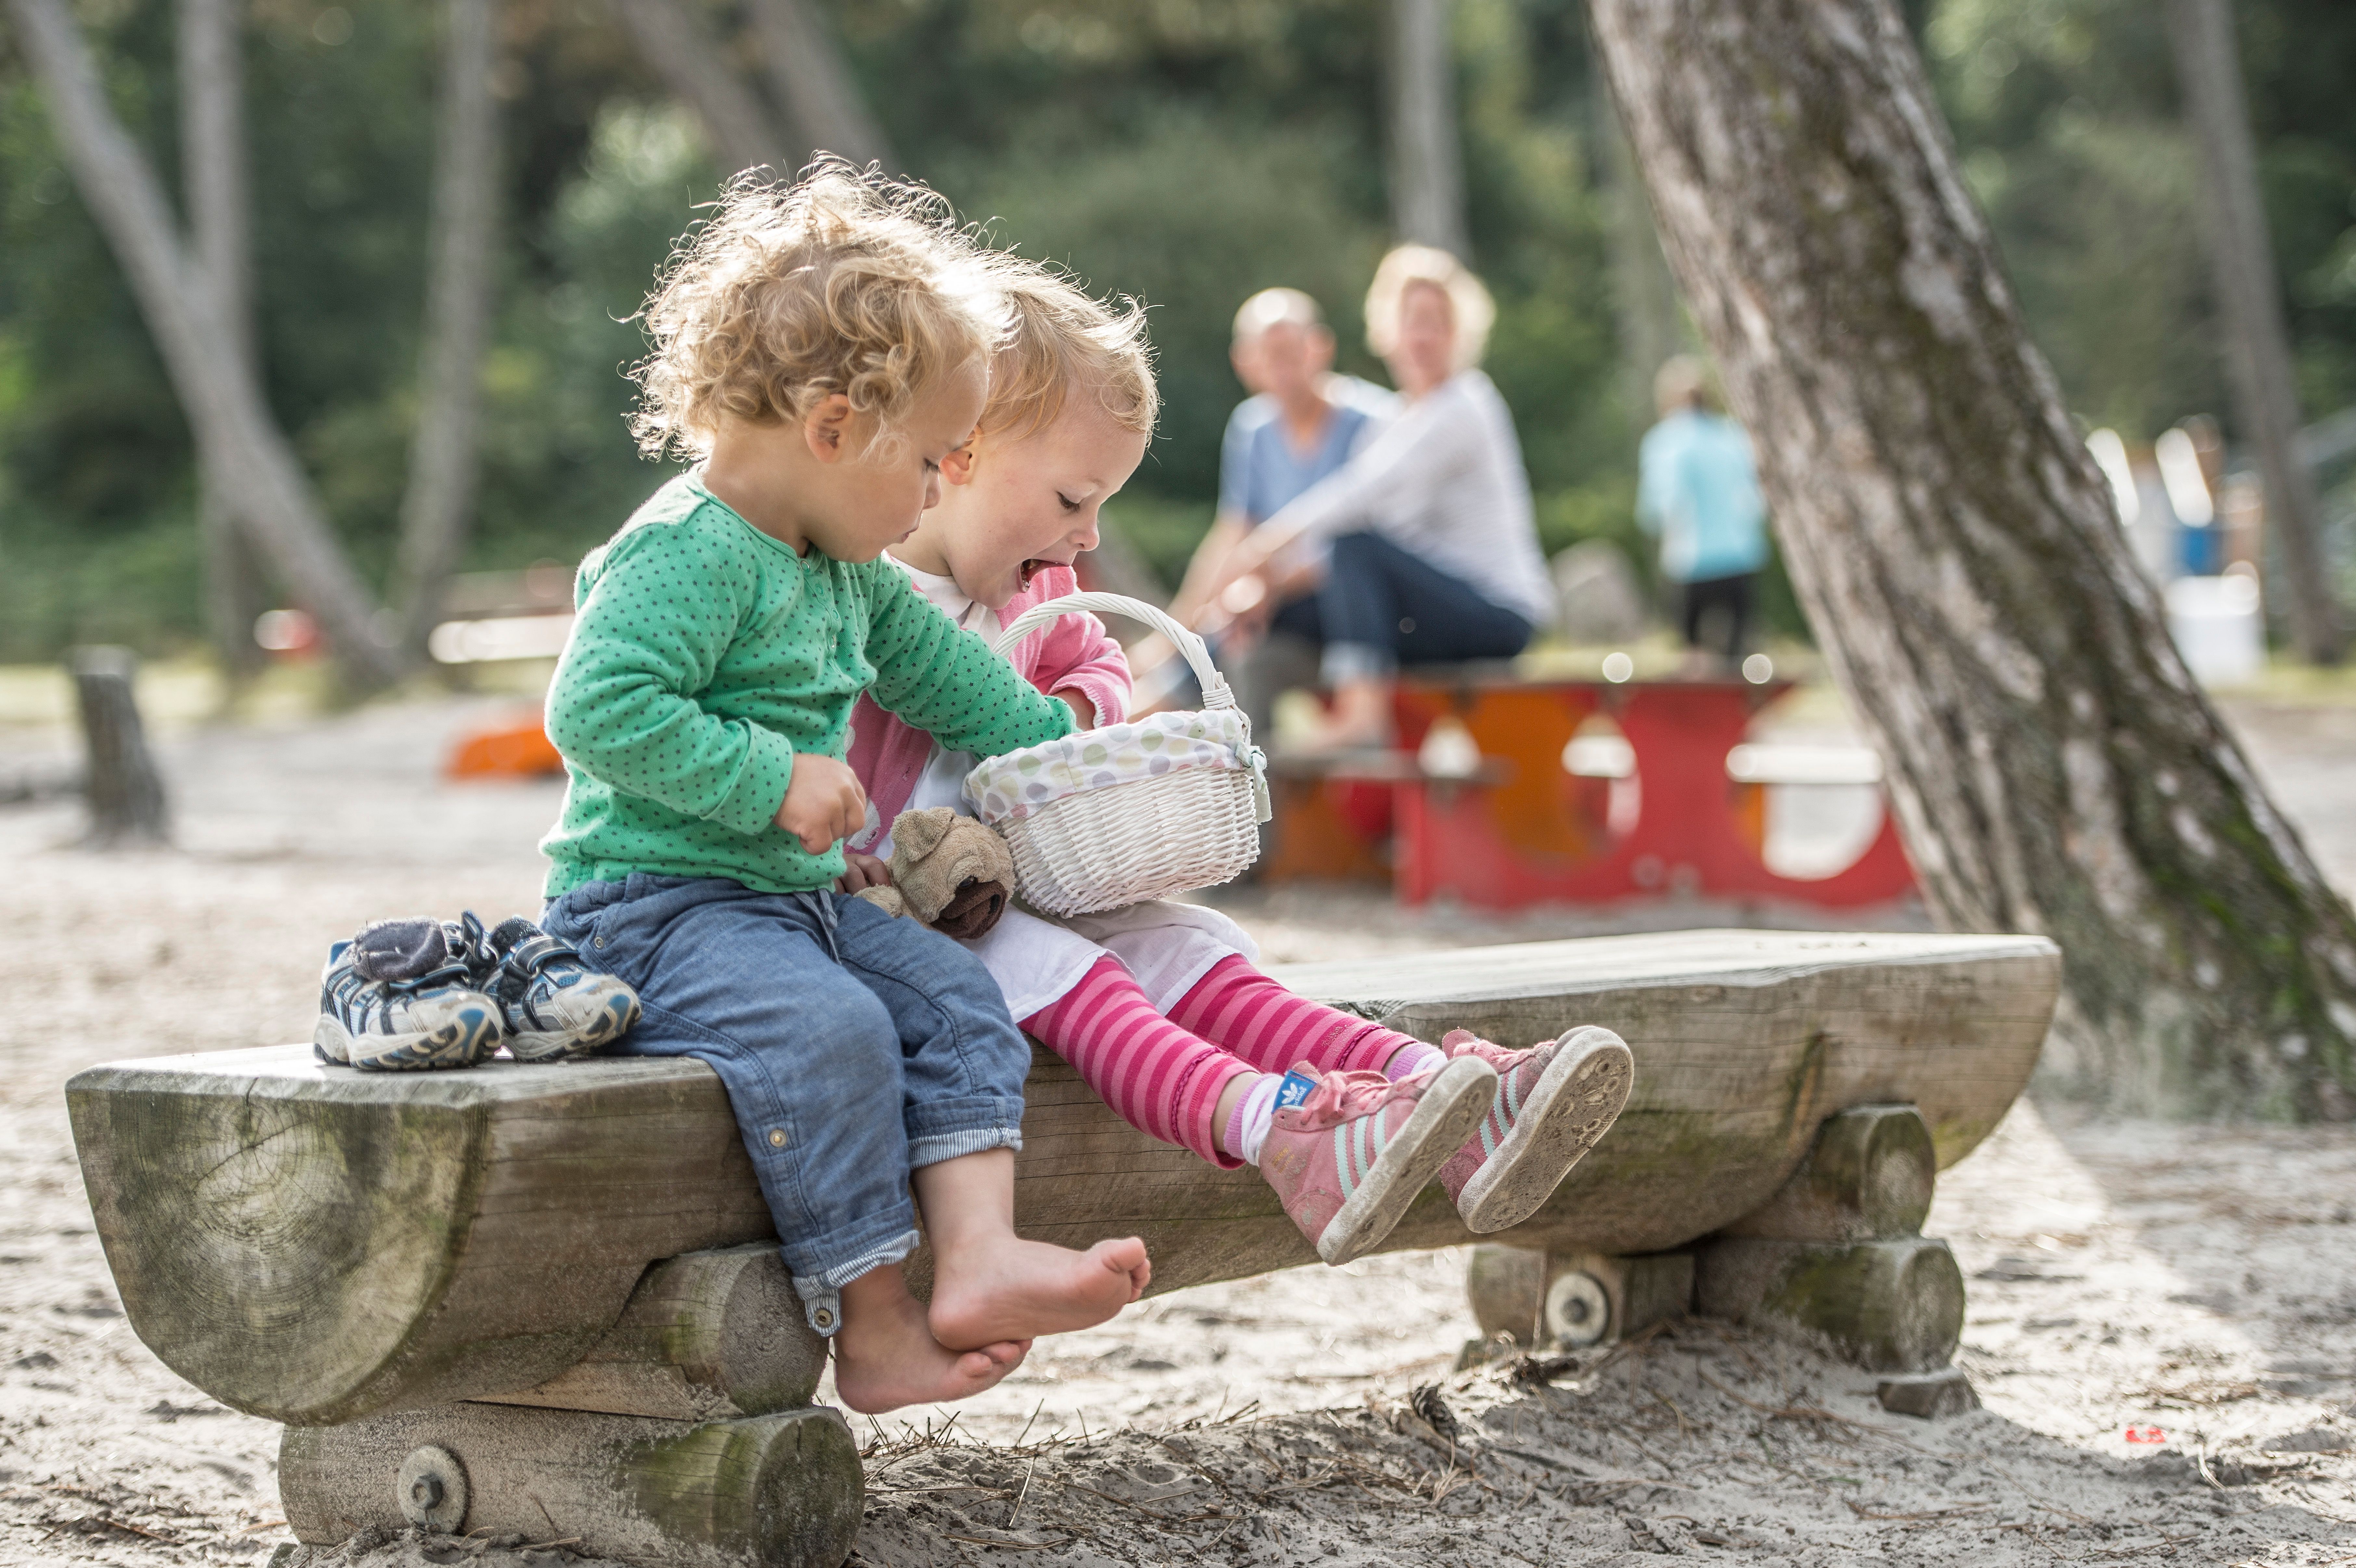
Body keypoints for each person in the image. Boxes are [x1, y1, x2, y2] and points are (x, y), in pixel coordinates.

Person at [844, 260, 1635, 1259]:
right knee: (1071, 976)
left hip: (1026, 880)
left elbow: (1094, 665)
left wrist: (1078, 711)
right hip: (902, 917)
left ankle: (1439, 1096)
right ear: (958, 454)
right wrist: (832, 841)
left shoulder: (1036, 588)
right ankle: (1278, 1129)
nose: (1085, 537)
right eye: (1070, 499)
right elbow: (794, 731)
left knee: (1194, 950)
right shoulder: (858, 589)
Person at [532, 169, 1150, 1417]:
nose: (937, 496)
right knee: (836, 1034)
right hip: (653, 905)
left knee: (961, 1006)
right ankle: (873, 1327)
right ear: (832, 426)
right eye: (930, 462)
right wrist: (769, 780)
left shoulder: (843, 566)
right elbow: (595, 712)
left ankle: (975, 1259)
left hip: (789, 903)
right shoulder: (688, 551)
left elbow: (951, 680)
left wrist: (1059, 748)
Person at [1204, 246, 1554, 751]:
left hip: (1495, 613)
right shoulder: (1399, 422)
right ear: (1387, 331)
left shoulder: (1465, 404)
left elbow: (1358, 496)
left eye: (1439, 323)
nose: (1423, 337)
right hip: (1433, 608)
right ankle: (1252, 774)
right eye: (1412, 322)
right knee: (1284, 614)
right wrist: (1268, 590)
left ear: (1461, 335)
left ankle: (1362, 713)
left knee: (1354, 545)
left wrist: (1259, 551)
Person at [1170, 289, 1398, 737]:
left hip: (1351, 610)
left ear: (1321, 347)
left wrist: (1265, 587)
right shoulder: (1250, 428)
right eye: (1268, 353)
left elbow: (1373, 550)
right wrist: (1179, 624)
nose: (1282, 364)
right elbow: (1232, 533)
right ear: (1244, 361)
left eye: (1291, 349)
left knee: (1242, 651)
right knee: (1204, 652)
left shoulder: (1376, 420)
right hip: (1275, 605)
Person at [1637, 355, 1770, 669]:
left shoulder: (1665, 441)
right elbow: (1755, 497)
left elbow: (1659, 506)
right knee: (1738, 660)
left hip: (1691, 561)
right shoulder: (1733, 435)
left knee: (1693, 659)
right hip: (1740, 556)